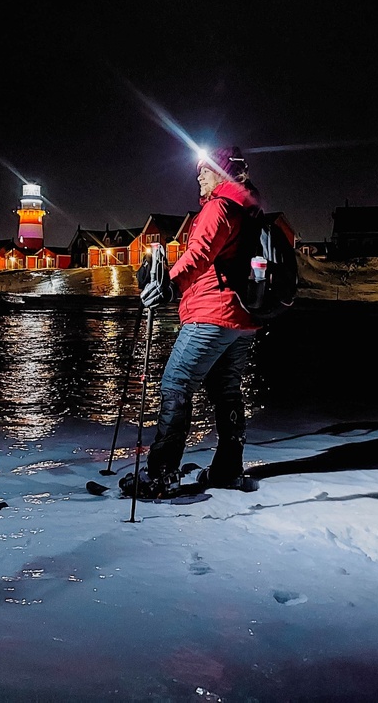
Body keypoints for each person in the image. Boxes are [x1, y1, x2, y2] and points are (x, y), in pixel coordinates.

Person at [124, 145, 263, 499]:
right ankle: (228, 470)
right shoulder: (248, 209)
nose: (199, 175)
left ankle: (161, 474)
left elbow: (199, 254)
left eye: (205, 169)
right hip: (244, 318)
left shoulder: (219, 207)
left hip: (212, 313)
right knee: (227, 390)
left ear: (223, 171)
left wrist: (168, 285)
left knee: (176, 384)